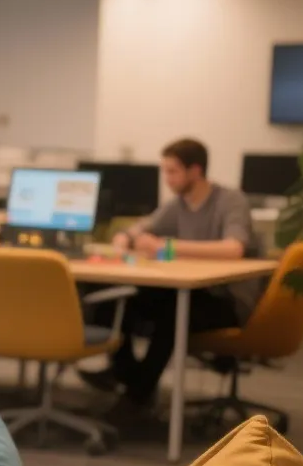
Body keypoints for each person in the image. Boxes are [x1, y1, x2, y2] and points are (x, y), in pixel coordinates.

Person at [95, 138, 261, 406]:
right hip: (188, 290)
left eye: (172, 171)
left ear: (195, 171)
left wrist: (166, 246)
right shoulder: (179, 204)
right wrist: (125, 238)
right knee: (115, 302)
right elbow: (143, 227)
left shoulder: (230, 200)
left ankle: (136, 393)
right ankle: (127, 375)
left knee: (172, 314)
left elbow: (233, 248)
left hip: (226, 300)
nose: (167, 179)